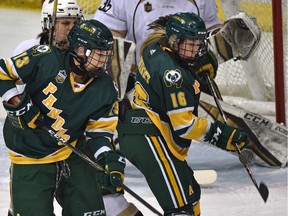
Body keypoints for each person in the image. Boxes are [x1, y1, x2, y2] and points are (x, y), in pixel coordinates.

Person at [116, 12, 249, 216]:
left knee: (190, 195)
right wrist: (225, 136)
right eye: (190, 44)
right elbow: (184, 125)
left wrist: (194, 68)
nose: (195, 50)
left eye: (198, 44)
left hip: (145, 130)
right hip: (147, 138)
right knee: (180, 209)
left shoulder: (154, 47)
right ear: (174, 41)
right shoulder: (174, 74)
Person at [0, 19, 126, 215]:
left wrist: (107, 158)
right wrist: (15, 101)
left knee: (91, 213)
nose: (103, 61)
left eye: (105, 54)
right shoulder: (46, 58)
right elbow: (2, 71)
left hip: (71, 151)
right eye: (98, 54)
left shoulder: (106, 88)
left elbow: (99, 132)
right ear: (79, 49)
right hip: (29, 153)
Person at [94, 0, 222, 96]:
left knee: (218, 122)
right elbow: (107, 36)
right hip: (138, 80)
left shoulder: (203, 1)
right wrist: (123, 82)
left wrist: (213, 49)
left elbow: (211, 28)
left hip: (190, 78)